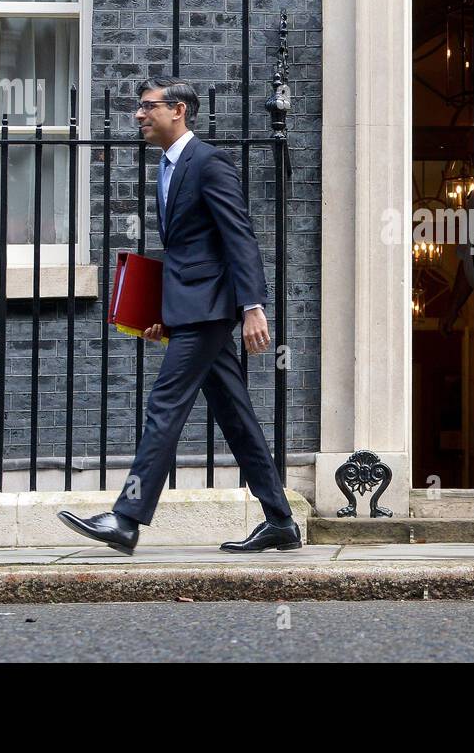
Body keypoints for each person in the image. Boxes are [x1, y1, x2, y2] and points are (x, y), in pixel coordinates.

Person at [57, 77, 299, 554]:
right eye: (138, 107)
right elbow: (189, 252)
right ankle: (280, 520)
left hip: (210, 311)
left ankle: (126, 519)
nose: (139, 115)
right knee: (235, 415)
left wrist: (253, 307)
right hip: (191, 309)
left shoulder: (208, 163)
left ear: (179, 110)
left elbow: (239, 236)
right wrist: (165, 313)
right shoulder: (167, 169)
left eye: (148, 107)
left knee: (164, 406)